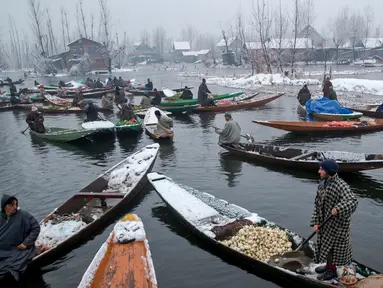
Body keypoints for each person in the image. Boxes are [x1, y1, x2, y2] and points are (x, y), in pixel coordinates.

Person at [310, 159, 358, 281]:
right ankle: (328, 266)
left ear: (329, 171)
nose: (318, 171)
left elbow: (352, 201)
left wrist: (338, 208)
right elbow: (317, 205)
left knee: (334, 250)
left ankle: (332, 271)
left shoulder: (341, 186)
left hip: (338, 226)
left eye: (321, 169)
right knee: (326, 247)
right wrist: (316, 222)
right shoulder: (322, 184)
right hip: (325, 223)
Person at [0, 195, 40, 282]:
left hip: (20, 248)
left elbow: (36, 228)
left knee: (11, 263)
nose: (15, 207)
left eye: (16, 204)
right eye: (11, 205)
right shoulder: (1, 218)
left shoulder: (23, 215)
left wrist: (26, 243)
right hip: (4, 249)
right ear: (4, 207)